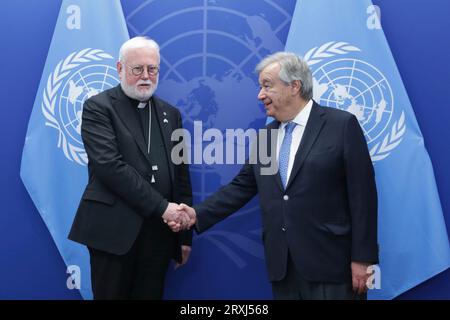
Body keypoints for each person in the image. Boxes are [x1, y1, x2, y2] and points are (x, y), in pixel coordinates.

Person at [175, 52, 378, 300]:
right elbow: (241, 187)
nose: (260, 95)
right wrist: (196, 215)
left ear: (295, 86)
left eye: (267, 86)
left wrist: (364, 258)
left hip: (332, 267)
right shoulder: (267, 137)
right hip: (284, 268)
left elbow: (363, 198)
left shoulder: (341, 125)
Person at [68, 36, 193, 300]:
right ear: (120, 68)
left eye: (153, 69)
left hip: (159, 235)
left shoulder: (172, 114)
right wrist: (163, 208)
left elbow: (180, 175)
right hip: (113, 234)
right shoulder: (98, 107)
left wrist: (184, 237)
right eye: (138, 69)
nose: (146, 76)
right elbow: (109, 166)